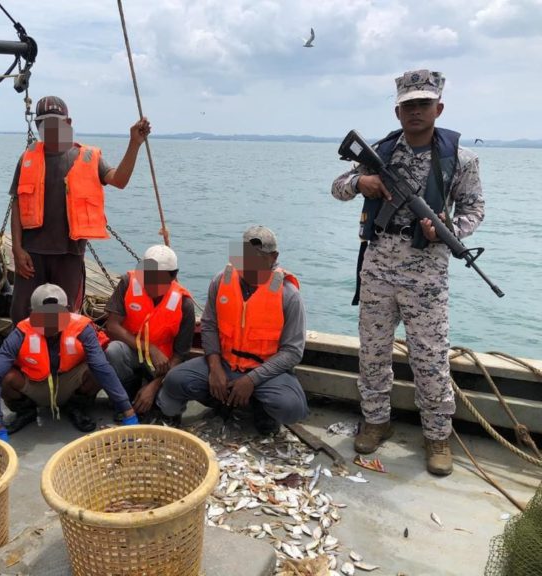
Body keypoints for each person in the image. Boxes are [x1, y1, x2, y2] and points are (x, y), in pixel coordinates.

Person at [331, 69, 485, 476]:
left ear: (439, 107)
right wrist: (361, 182)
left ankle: (437, 435)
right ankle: (375, 420)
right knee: (373, 352)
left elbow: (473, 210)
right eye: (409, 104)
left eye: (424, 103)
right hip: (378, 266)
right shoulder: (380, 151)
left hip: (427, 274)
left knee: (431, 358)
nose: (416, 111)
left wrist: (451, 231)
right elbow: (337, 186)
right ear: (398, 110)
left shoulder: (461, 160)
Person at [9, 95, 152, 324]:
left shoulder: (88, 157)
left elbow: (120, 180)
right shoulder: (27, 158)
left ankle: (61, 357)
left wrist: (134, 144)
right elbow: (16, 204)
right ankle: (27, 356)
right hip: (32, 253)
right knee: (22, 314)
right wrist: (17, 249)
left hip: (69, 253)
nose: (50, 128)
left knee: (66, 317)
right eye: (43, 123)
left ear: (68, 123)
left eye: (55, 122)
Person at [156, 226, 309, 435]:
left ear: (273, 257)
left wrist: (251, 380)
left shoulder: (289, 295)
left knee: (292, 407)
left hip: (264, 373)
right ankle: (222, 403)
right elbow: (209, 324)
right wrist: (215, 366)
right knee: (175, 380)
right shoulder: (221, 280)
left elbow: (293, 352)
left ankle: (260, 412)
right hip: (225, 363)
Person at [0, 283, 139, 441]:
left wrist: (128, 411)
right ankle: (25, 411)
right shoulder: (21, 332)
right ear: (32, 313)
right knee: (4, 377)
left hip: (70, 384)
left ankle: (76, 406)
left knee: (98, 366)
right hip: (35, 387)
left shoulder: (82, 328)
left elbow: (101, 367)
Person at [104, 245, 196, 416]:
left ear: (173, 276)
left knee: (169, 409)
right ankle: (128, 395)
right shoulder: (127, 282)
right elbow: (112, 326)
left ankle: (150, 391)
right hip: (133, 351)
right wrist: (149, 348)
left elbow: (180, 354)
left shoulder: (184, 304)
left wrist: (154, 386)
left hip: (164, 364)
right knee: (114, 351)